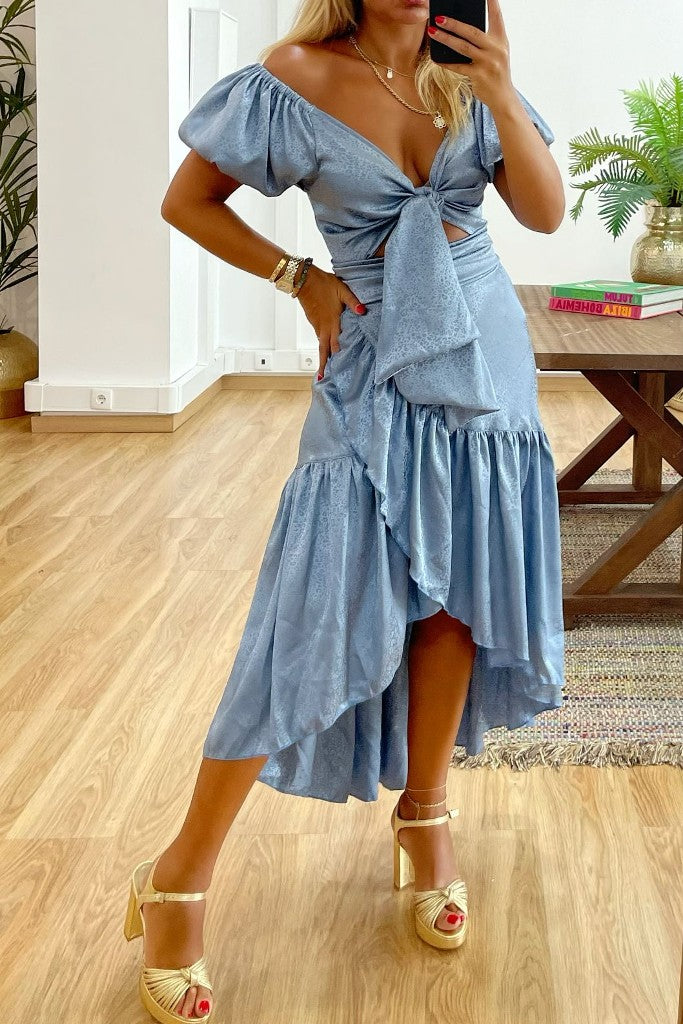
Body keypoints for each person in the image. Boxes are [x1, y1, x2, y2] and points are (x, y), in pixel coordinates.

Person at [123, 0, 566, 1019]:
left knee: (457, 598)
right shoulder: (294, 76)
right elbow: (187, 202)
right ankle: (178, 874)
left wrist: (502, 93)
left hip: (483, 358)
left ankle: (425, 818)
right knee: (309, 616)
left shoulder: (472, 66)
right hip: (369, 360)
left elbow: (542, 216)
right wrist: (298, 278)